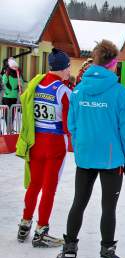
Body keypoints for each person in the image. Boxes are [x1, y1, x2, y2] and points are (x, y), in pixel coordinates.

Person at [57, 40, 125, 258]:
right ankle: (107, 255)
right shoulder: (119, 93)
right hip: (112, 159)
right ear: (113, 64)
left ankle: (69, 250)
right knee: (108, 207)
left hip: (85, 156)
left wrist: (82, 143)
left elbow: (71, 124)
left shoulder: (78, 90)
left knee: (78, 203)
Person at [15, 48, 72, 247]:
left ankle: (25, 224)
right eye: (68, 67)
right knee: (49, 189)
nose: (69, 71)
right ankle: (41, 231)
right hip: (55, 144)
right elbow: (68, 126)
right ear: (63, 68)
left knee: (34, 185)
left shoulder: (36, 83)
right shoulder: (63, 91)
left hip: (35, 141)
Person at [2, 58, 24, 127]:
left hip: (7, 96)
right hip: (14, 96)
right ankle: (10, 125)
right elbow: (21, 84)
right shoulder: (17, 75)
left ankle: (8, 126)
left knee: (6, 113)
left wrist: (6, 73)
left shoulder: (7, 75)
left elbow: (4, 81)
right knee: (12, 112)